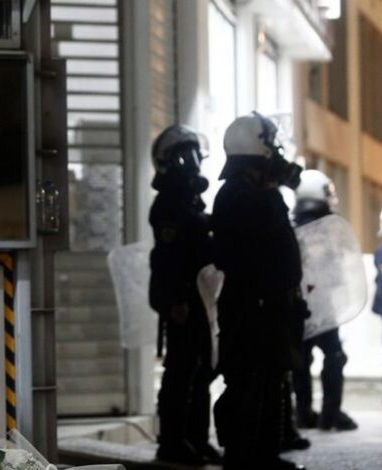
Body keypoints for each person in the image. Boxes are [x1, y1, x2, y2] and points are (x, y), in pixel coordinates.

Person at [211, 112, 307, 470]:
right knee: (249, 384)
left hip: (267, 307)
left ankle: (264, 456)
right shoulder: (241, 196)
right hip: (252, 309)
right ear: (257, 151)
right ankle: (243, 459)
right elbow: (255, 253)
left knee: (268, 382)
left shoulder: (252, 192)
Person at [148, 124, 220, 465]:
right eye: (184, 155)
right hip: (182, 298)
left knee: (201, 370)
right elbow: (170, 259)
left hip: (199, 295)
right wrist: (176, 301)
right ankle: (172, 442)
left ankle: (196, 438)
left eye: (194, 154)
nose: (192, 162)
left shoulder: (188, 200)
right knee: (181, 371)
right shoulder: (168, 204)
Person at [290, 169, 358, 431]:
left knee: (301, 360)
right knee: (334, 356)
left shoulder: (294, 226)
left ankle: (304, 412)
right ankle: (331, 413)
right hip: (321, 305)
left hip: (299, 305)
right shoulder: (324, 229)